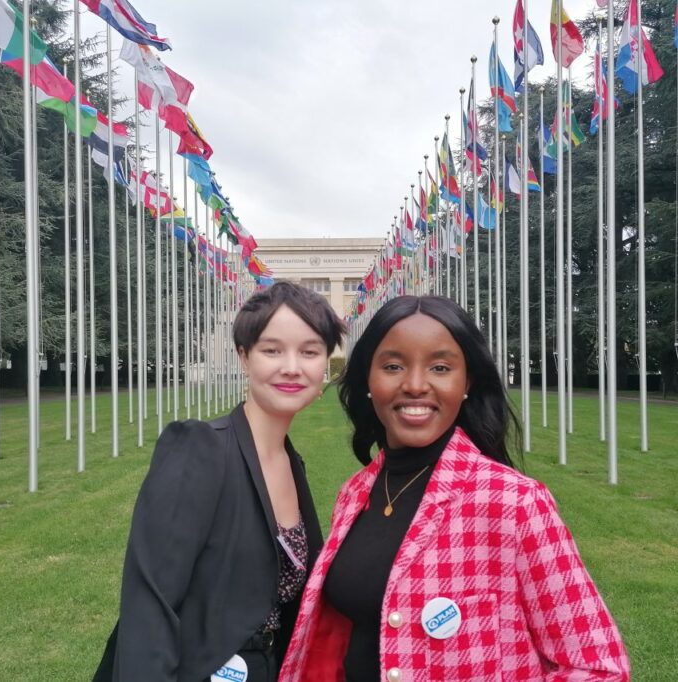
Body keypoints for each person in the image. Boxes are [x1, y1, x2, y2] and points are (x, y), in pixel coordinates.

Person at [279, 295, 629, 681]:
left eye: (440, 367)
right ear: (368, 379)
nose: (415, 385)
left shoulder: (514, 502)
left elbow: (597, 667)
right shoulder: (355, 493)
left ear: (467, 382)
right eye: (393, 366)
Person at [93, 281, 346, 682]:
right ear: (243, 358)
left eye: (310, 351)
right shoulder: (199, 448)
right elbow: (151, 603)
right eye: (272, 349)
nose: (292, 366)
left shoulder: (289, 461)